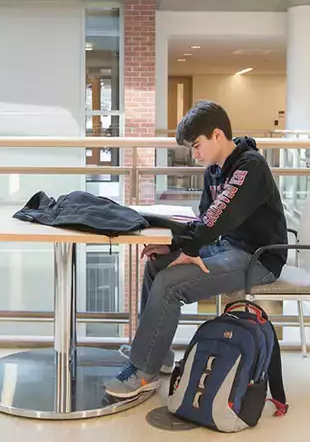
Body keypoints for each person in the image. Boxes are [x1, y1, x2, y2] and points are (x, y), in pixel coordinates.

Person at [104, 101, 288, 398]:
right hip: (228, 247)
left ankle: (143, 373)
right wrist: (173, 247)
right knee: (156, 267)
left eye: (197, 145)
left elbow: (217, 219)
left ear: (218, 135)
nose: (195, 153)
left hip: (259, 258)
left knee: (170, 283)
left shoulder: (250, 167)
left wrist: (190, 248)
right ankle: (157, 355)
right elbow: (205, 219)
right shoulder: (215, 171)